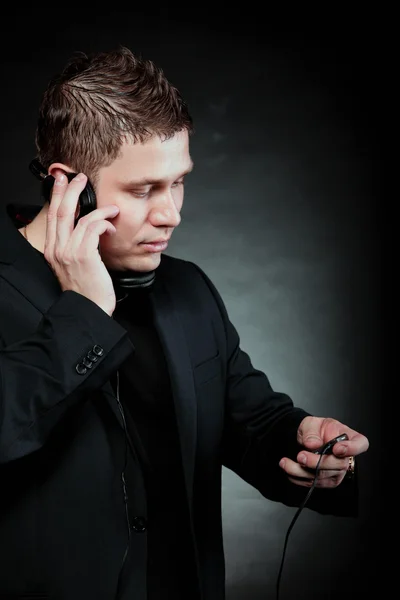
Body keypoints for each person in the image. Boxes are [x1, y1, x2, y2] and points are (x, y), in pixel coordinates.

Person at [0, 46, 369, 600]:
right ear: (69, 187)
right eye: (144, 190)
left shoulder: (188, 289)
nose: (171, 212)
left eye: (178, 182)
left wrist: (302, 446)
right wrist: (83, 314)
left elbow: (249, 420)